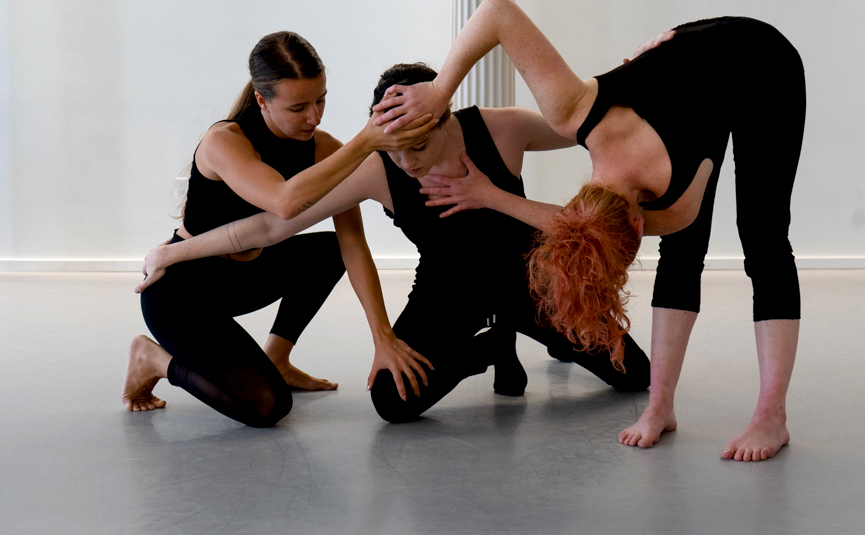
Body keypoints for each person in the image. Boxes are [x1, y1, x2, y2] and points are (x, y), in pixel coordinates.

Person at [373, 0, 805, 461]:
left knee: (762, 238)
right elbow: (496, 10)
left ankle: (771, 417)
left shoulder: (674, 206)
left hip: (765, 65)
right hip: (693, 67)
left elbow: (497, 10)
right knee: (683, 253)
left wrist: (440, 91)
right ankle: (660, 406)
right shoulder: (572, 108)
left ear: (638, 228)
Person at [137, 62, 651, 423]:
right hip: (446, 292)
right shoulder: (376, 169)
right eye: (396, 148)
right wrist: (174, 252)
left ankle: (523, 327)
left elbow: (585, 123)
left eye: (419, 145)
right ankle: (492, 347)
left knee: (634, 376)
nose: (408, 162)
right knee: (392, 401)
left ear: (444, 116)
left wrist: (631, 76)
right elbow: (271, 225)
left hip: (528, 281)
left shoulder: (501, 128)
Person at [122, 32, 437, 427]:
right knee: (266, 407)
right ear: (261, 100)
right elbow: (283, 201)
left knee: (329, 250)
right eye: (298, 107)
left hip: (250, 275)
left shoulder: (322, 148)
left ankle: (278, 356)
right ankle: (153, 359)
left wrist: (383, 338)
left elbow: (353, 243)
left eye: (321, 99)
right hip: (184, 290)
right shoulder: (225, 141)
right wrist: (365, 143)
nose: (314, 117)